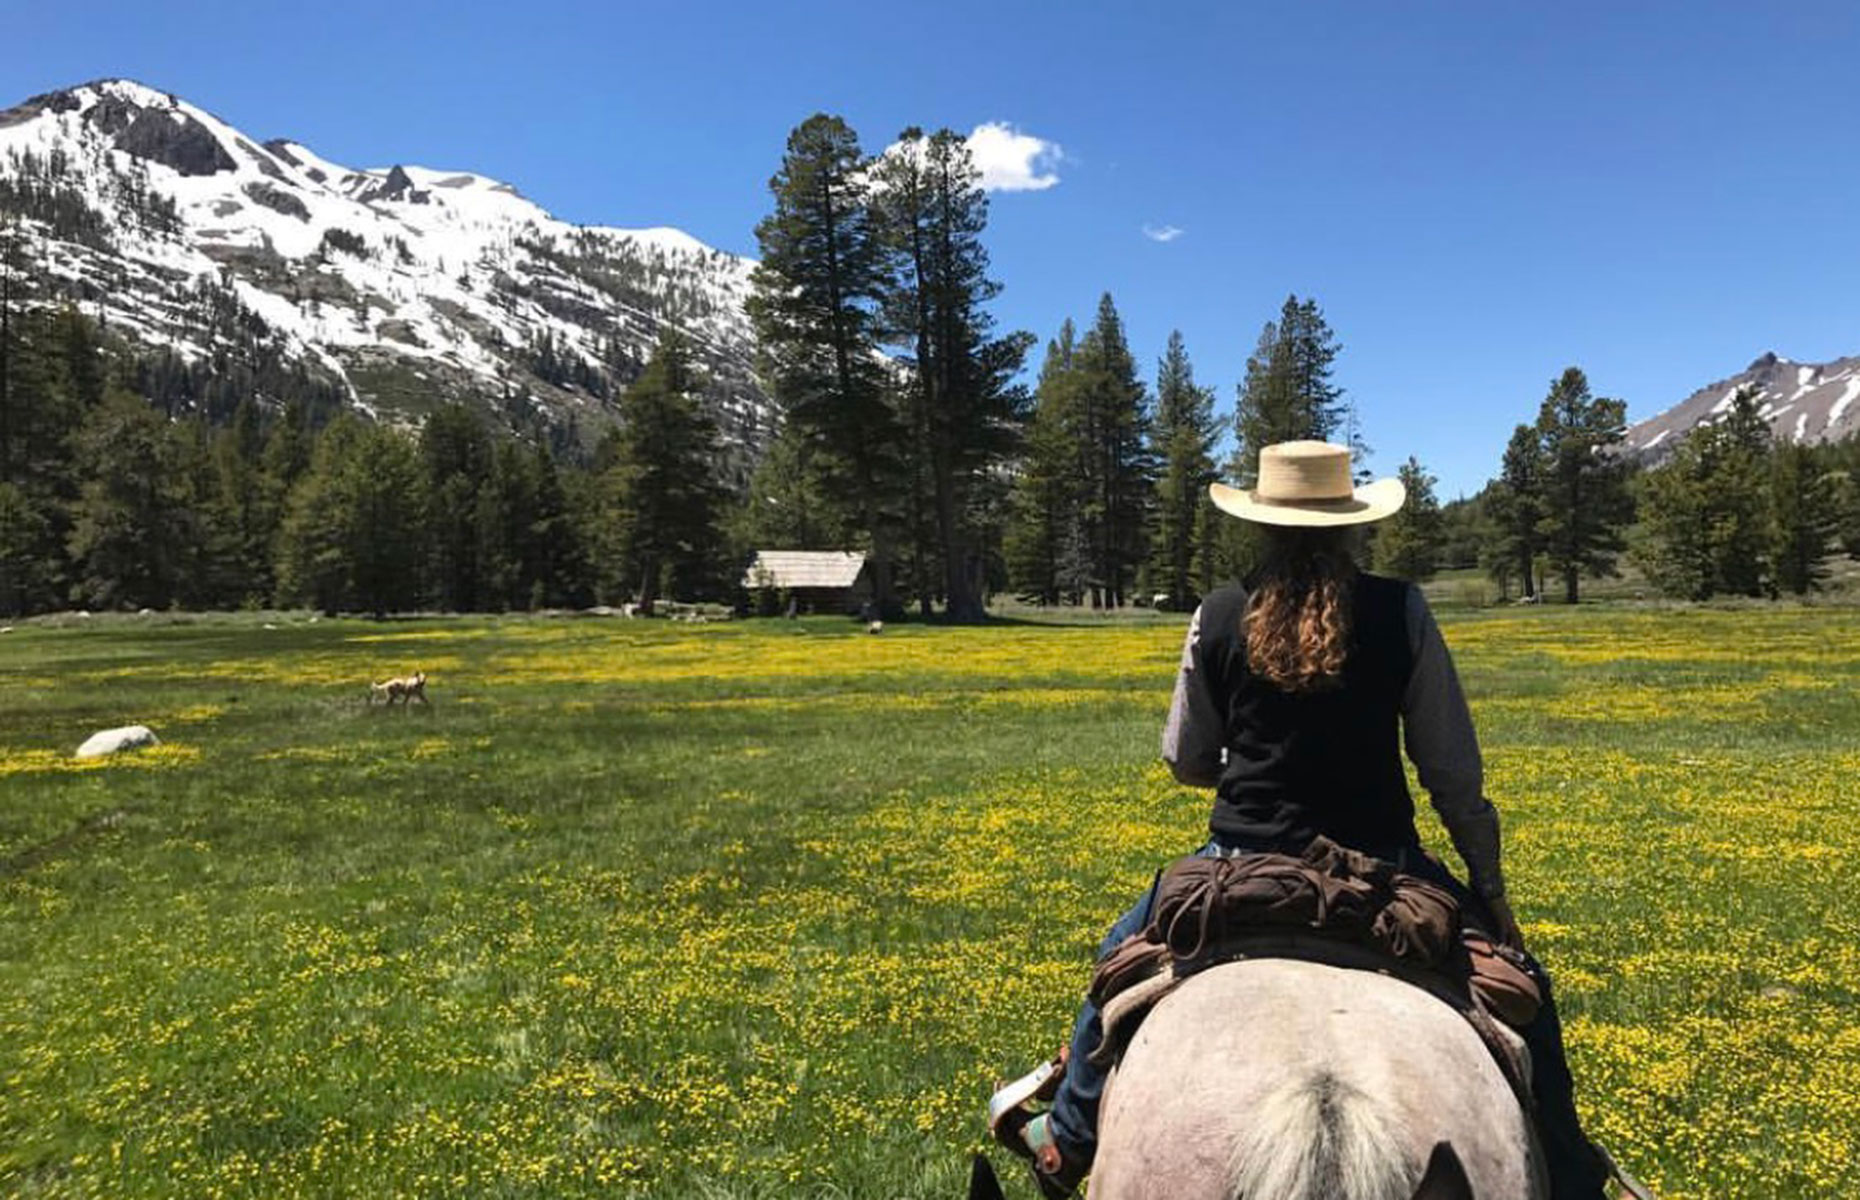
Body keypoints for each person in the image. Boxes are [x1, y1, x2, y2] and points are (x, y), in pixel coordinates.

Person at [990, 441, 1632, 1200]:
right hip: (1384, 863)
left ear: (1261, 523)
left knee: (1116, 957)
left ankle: (1064, 1139)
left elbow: (1184, 757)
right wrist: (1488, 888)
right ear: (1352, 524)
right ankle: (1575, 1174)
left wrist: (1243, 773)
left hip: (1239, 856)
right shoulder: (1401, 610)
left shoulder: (1221, 612)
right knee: (1530, 997)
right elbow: (1452, 772)